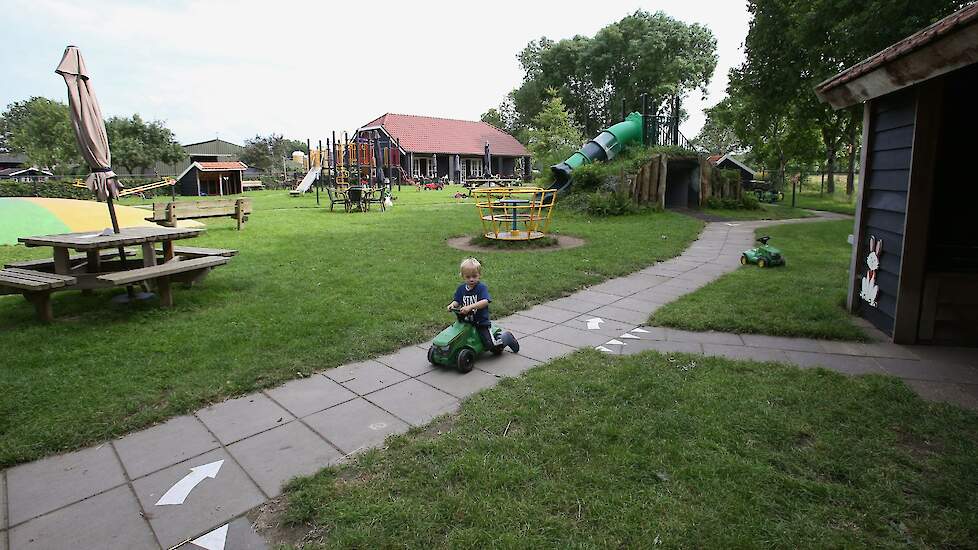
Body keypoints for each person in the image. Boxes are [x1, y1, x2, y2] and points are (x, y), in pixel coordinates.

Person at [447, 257, 497, 350]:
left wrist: (470, 307)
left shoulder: (481, 288)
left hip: (481, 322)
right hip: (465, 321)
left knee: (490, 345)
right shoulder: (461, 289)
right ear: (462, 276)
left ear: (479, 275)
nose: (471, 279)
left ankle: (506, 339)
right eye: (468, 277)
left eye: (474, 276)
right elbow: (457, 301)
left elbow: (485, 301)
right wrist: (452, 305)